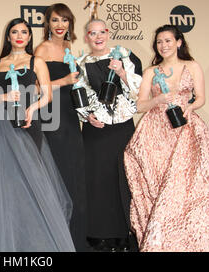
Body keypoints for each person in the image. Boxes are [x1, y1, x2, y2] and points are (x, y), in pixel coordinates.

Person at [0, 18, 75, 252]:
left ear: (29, 37)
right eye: (14, 32)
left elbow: (47, 95)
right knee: (2, 188)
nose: (19, 36)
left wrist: (31, 109)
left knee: (31, 187)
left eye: (24, 32)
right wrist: (4, 98)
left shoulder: (37, 61)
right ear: (8, 36)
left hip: (27, 124)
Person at [123, 24, 209, 251]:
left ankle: (192, 243)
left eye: (168, 41)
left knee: (187, 189)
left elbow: (200, 97)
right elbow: (140, 105)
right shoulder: (151, 72)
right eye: (159, 42)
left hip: (186, 130)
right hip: (155, 135)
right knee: (159, 189)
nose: (163, 45)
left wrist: (190, 108)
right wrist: (158, 100)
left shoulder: (191, 66)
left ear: (179, 42)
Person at [76, 19, 142, 252]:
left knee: (125, 180)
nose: (97, 37)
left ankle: (128, 235)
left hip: (123, 128)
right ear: (86, 37)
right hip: (96, 131)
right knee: (97, 181)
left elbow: (139, 93)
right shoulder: (80, 64)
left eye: (101, 32)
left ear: (108, 33)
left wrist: (122, 72)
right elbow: (80, 95)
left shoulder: (126, 56)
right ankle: (98, 236)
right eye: (92, 33)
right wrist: (87, 117)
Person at [34, 3, 88, 251]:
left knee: (72, 175)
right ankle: (51, 240)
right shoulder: (42, 49)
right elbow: (35, 88)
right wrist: (64, 80)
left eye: (64, 21)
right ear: (48, 23)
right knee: (53, 173)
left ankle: (72, 239)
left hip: (69, 115)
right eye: (55, 20)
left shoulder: (69, 48)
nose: (60, 25)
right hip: (50, 115)